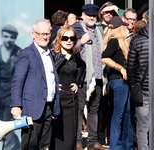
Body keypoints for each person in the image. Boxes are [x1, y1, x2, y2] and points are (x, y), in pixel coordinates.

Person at [10, 19, 60, 150]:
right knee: (30, 145)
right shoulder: (26, 54)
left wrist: (55, 105)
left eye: (47, 34)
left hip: (48, 107)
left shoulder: (50, 54)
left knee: (45, 145)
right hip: (32, 108)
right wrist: (16, 105)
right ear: (33, 34)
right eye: (41, 34)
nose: (44, 37)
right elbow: (17, 81)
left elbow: (51, 79)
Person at [72, 4, 108, 150]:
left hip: (99, 77)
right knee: (79, 110)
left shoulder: (100, 30)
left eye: (94, 15)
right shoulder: (77, 29)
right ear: (83, 15)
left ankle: (93, 142)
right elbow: (69, 49)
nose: (92, 18)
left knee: (94, 109)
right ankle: (78, 142)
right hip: (83, 77)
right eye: (89, 15)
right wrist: (81, 42)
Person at [49, 26, 86, 150]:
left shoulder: (76, 55)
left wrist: (78, 82)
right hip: (57, 99)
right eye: (65, 38)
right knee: (57, 133)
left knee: (71, 133)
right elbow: (45, 73)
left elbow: (82, 66)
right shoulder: (53, 55)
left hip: (71, 99)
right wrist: (53, 84)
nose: (69, 40)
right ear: (59, 39)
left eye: (72, 38)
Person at [102, 16, 134, 150]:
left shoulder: (123, 42)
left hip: (125, 82)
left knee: (127, 114)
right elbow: (104, 57)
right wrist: (120, 68)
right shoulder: (114, 41)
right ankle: (115, 146)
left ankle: (127, 145)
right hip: (118, 81)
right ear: (119, 28)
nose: (127, 28)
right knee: (118, 114)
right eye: (124, 26)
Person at [127, 12, 149, 150]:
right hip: (145, 88)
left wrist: (134, 85)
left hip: (143, 89)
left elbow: (130, 67)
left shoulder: (137, 40)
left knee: (142, 127)